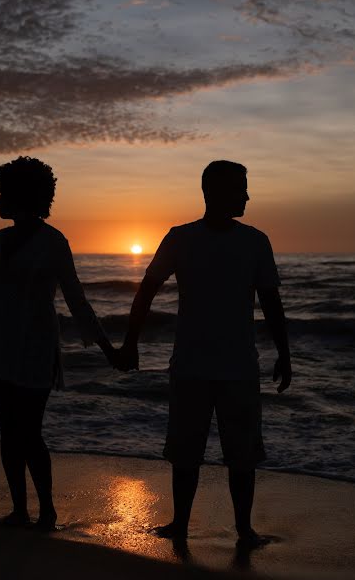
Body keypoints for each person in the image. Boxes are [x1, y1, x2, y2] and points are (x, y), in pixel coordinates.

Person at [115, 160, 291, 548]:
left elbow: (271, 302)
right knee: (187, 450)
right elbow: (146, 290)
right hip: (197, 364)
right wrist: (130, 342)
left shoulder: (254, 241)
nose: (247, 195)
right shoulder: (181, 238)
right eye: (241, 188)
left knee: (238, 453)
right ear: (216, 192)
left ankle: (241, 528)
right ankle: (183, 523)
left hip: (235, 366)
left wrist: (284, 352)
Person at [0, 156, 116, 531]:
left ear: (23, 194)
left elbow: (75, 298)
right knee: (8, 431)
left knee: (29, 431)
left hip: (35, 345)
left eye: (3, 192)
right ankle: (19, 509)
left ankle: (48, 511)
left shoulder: (53, 242)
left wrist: (107, 348)